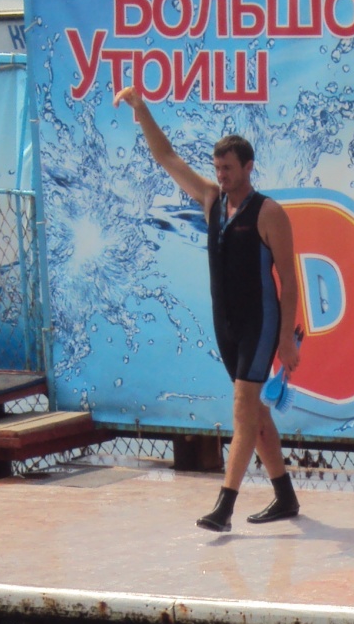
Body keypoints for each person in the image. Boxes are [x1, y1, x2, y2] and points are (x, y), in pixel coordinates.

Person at [116, 86, 302, 531]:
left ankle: (224, 507)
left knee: (242, 408)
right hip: (227, 326)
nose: (221, 175)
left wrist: (285, 339)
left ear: (248, 167)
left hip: (259, 324)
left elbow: (290, 279)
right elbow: (167, 157)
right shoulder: (211, 200)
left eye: (228, 168)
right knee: (256, 414)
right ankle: (285, 497)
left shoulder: (268, 213)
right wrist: (142, 110)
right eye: (217, 168)